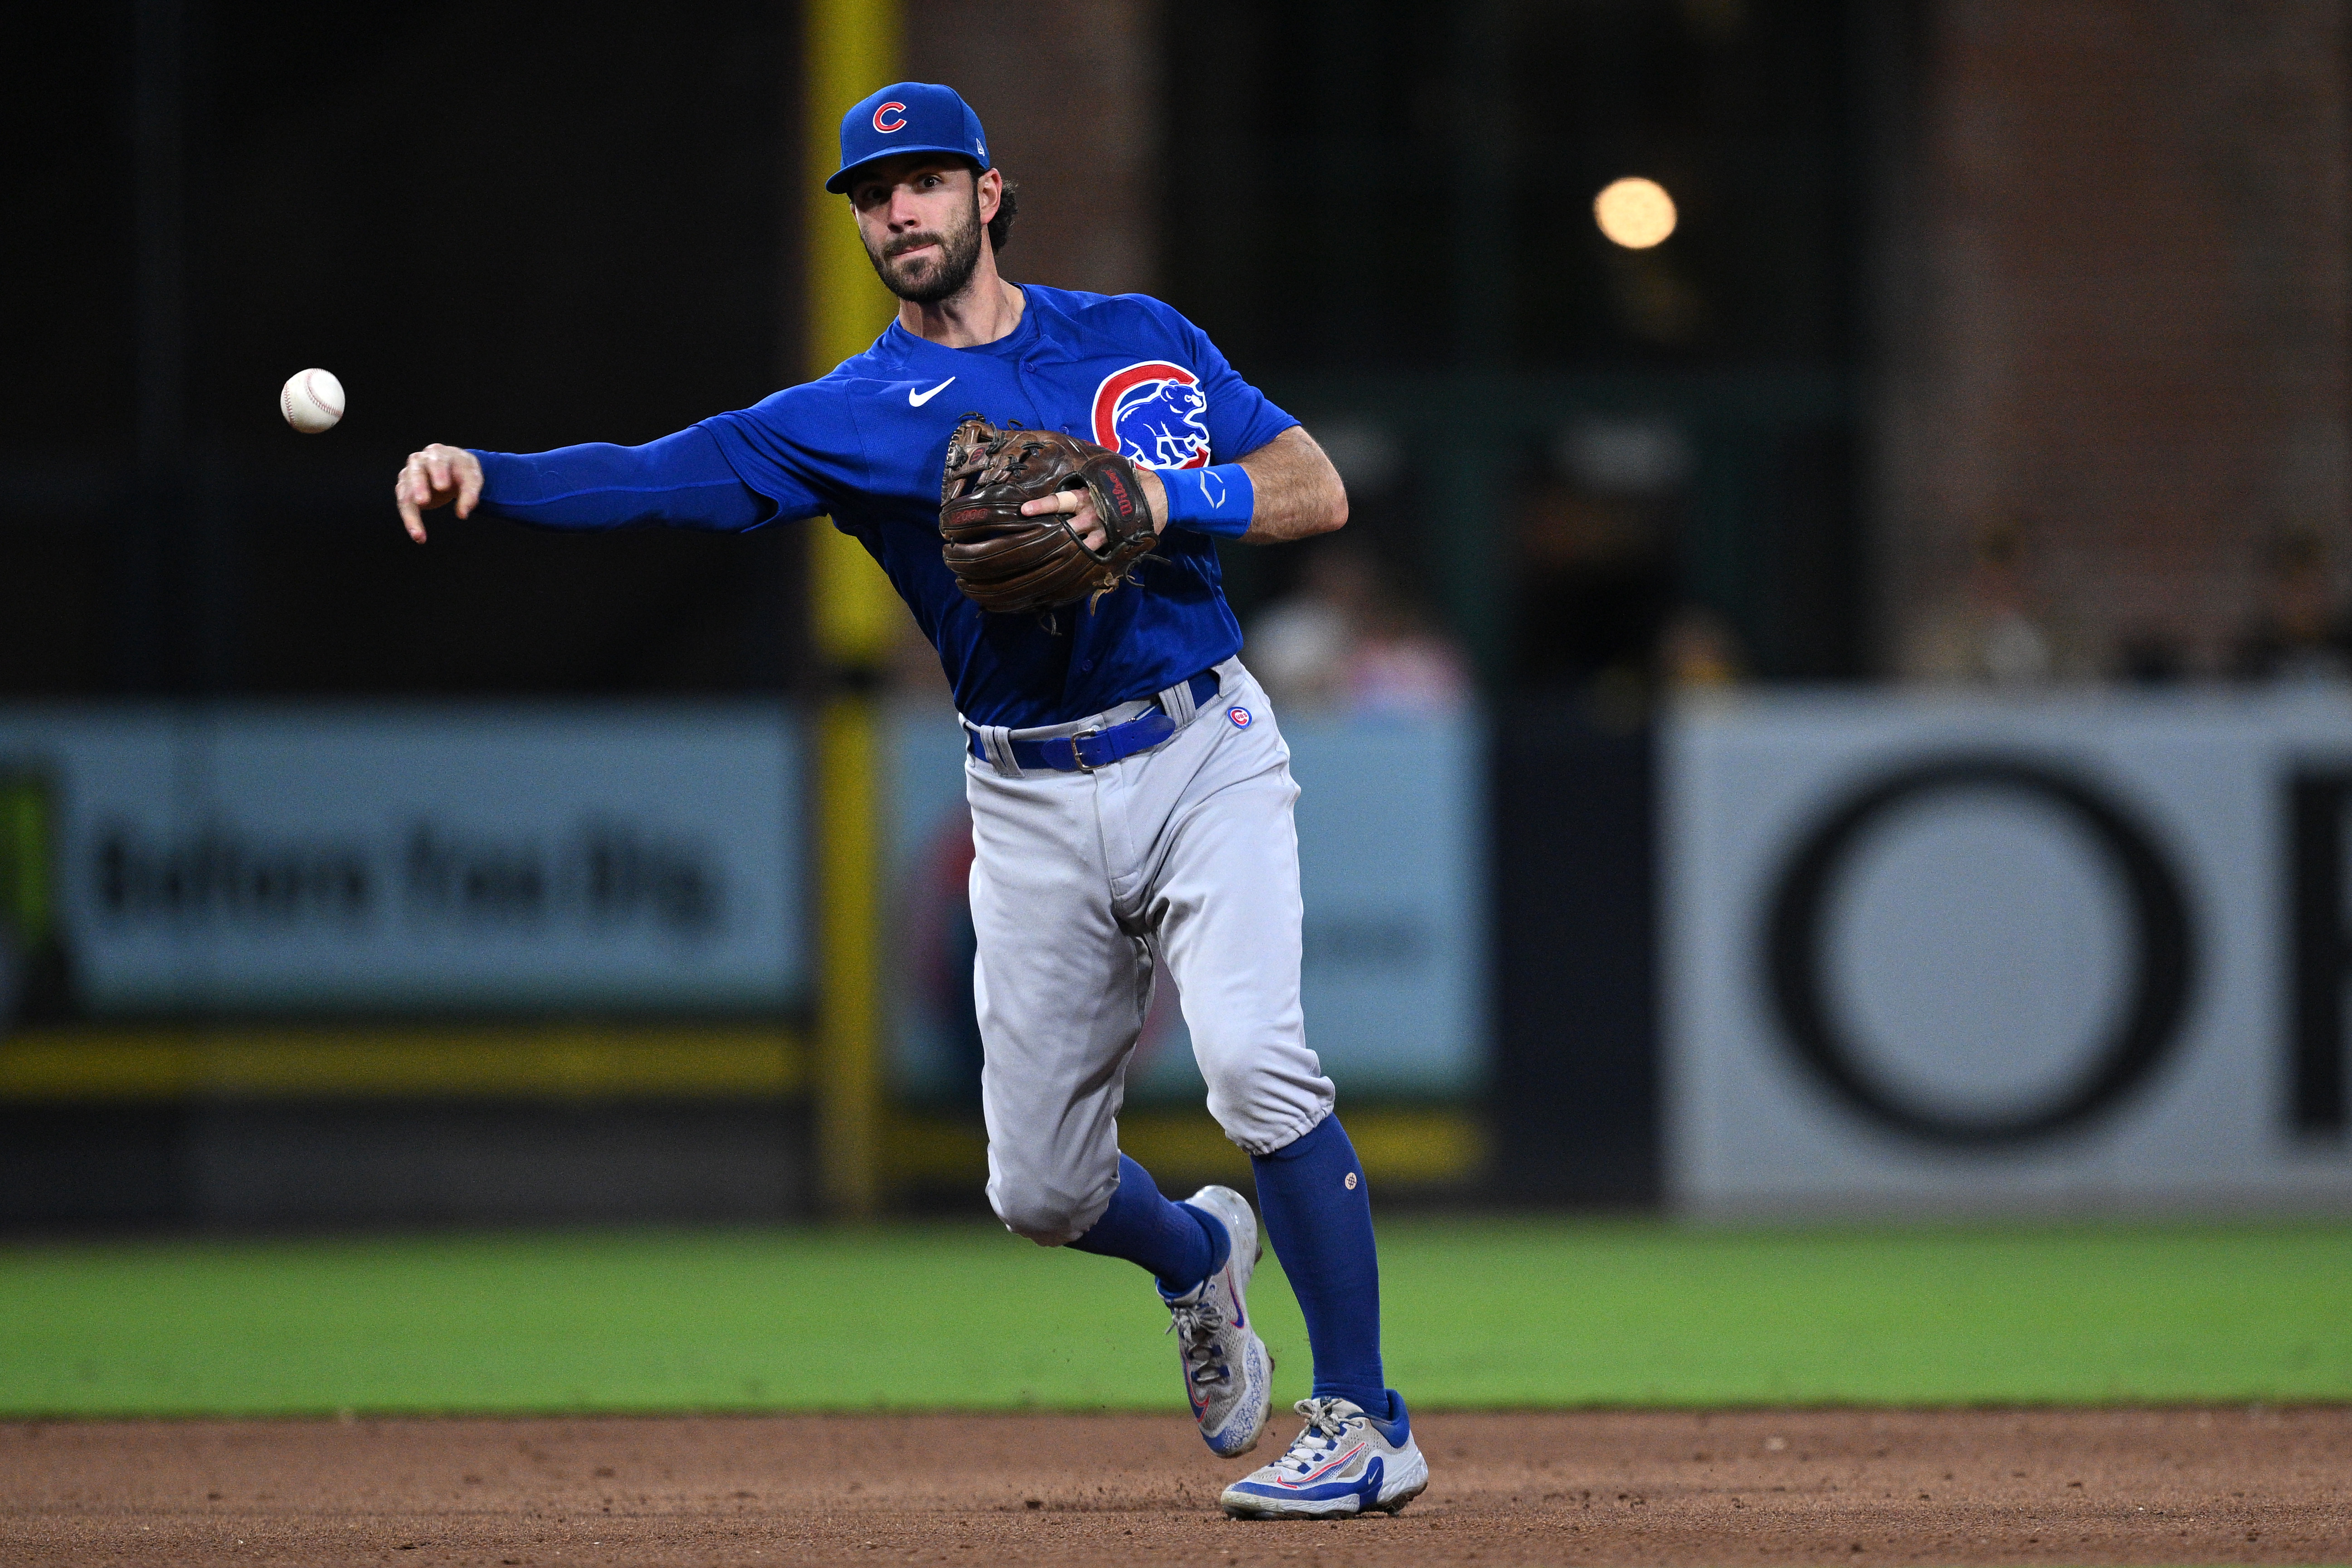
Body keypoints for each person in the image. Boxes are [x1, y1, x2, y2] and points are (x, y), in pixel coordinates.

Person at [390, 82, 1427, 1521]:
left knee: (1255, 1062)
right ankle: (1196, 1258)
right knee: (1041, 1194)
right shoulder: (849, 417)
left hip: (1202, 749)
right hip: (1027, 797)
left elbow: (1309, 485)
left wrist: (1162, 498)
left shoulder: (1131, 338)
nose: (900, 211)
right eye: (874, 196)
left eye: (926, 182)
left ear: (987, 192)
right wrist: (485, 475)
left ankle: (1366, 1418)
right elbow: (662, 475)